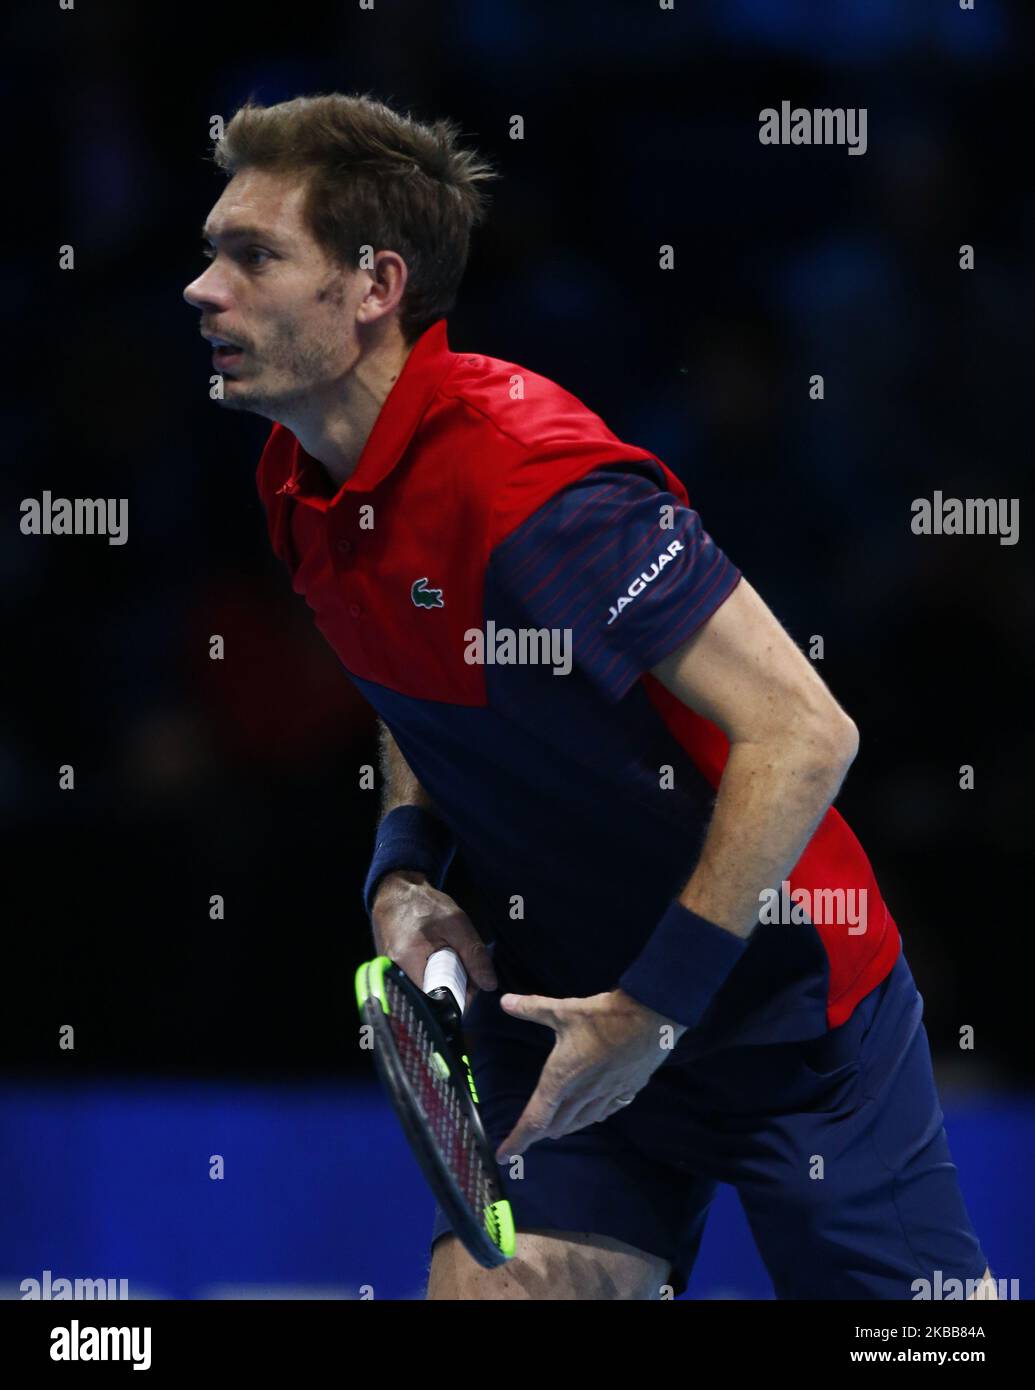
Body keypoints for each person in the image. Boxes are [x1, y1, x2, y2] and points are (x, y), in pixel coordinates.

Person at [183, 92, 995, 1301]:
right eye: (210, 250)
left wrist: (654, 1015)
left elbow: (806, 729)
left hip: (786, 1012)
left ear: (373, 286)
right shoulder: (298, 484)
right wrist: (404, 868)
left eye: (253, 256)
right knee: (492, 1293)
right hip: (563, 1001)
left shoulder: (536, 487)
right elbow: (420, 700)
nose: (204, 288)